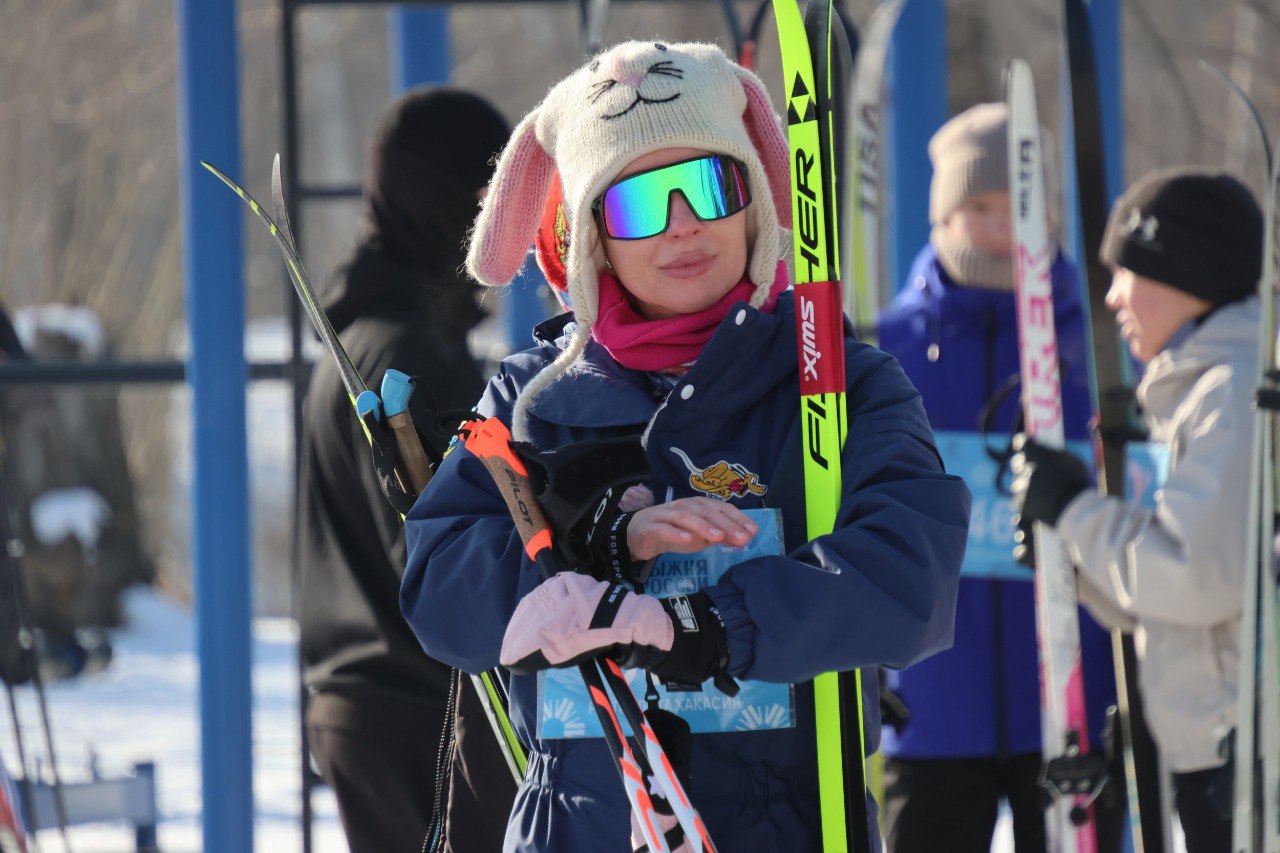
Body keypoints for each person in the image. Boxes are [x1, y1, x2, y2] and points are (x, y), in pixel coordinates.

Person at [400, 40, 971, 850]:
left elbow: (912, 572)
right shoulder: (533, 403)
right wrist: (592, 541)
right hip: (581, 828)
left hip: (784, 824)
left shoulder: (838, 384)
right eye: (638, 203)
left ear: (751, 199)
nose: (682, 226)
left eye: (708, 185)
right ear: (594, 235)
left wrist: (703, 624)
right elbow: (437, 586)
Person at [876, 103, 1121, 852]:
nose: (998, 227)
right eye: (977, 207)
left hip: (1076, 699)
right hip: (931, 708)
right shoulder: (886, 348)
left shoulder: (1104, 340)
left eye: (1017, 207)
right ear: (942, 215)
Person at [1011, 167, 1263, 853]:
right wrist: (1072, 551)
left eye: (1127, 271)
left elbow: (1193, 578)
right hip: (1223, 748)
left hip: (1246, 756)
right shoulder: (1201, 389)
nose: (1114, 295)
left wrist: (1079, 511)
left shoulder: (1232, 394)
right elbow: (1170, 594)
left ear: (1186, 274)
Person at [296, 86, 513, 852]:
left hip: (364, 705)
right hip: (418, 715)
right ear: (448, 202)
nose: (507, 227)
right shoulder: (407, 353)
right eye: (494, 197)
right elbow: (445, 556)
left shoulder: (359, 334)